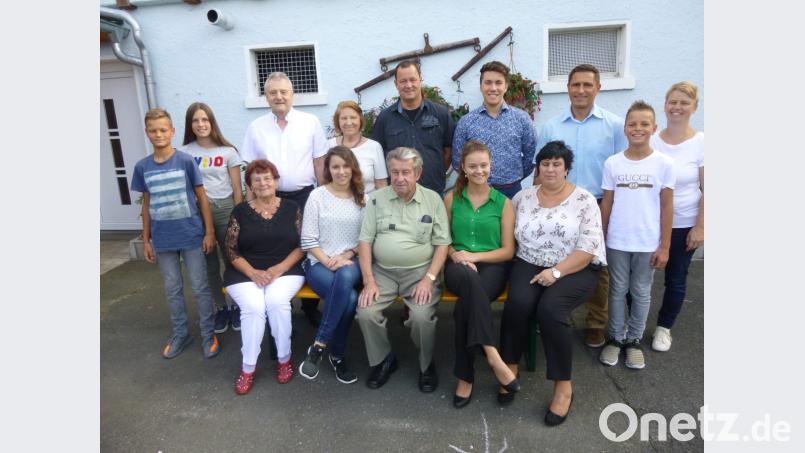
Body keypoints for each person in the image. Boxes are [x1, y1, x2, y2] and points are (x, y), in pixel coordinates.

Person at [500, 140, 606, 426]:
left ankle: (563, 387)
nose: (550, 169)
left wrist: (556, 272)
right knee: (518, 303)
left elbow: (588, 248)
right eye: (545, 163)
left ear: (567, 169)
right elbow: (510, 236)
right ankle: (509, 365)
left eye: (556, 164)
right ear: (538, 168)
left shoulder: (584, 200)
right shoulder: (522, 198)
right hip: (529, 261)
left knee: (551, 310)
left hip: (575, 267)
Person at [534, 64, 628, 349]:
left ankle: (596, 323)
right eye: (576, 85)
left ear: (598, 88)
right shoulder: (551, 127)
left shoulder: (613, 126)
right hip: (556, 203)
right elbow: (539, 172)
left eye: (588, 85)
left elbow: (621, 170)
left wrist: (611, 209)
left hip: (599, 203)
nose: (581, 90)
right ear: (568, 89)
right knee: (552, 257)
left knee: (597, 264)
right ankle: (549, 314)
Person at [356, 147, 451, 392]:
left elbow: (442, 244)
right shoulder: (376, 199)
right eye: (395, 172)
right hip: (382, 272)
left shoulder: (433, 200)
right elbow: (365, 241)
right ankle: (384, 360)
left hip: (420, 272)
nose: (400, 178)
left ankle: (426, 365)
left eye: (406, 172)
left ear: (417, 173)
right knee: (366, 312)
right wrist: (369, 280)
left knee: (421, 317)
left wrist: (429, 279)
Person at [130, 108, 220, 360]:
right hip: (163, 239)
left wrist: (209, 231)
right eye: (153, 130)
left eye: (163, 130)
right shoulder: (142, 167)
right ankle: (181, 334)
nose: (158, 134)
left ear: (172, 131)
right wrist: (146, 239)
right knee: (172, 289)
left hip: (191, 235)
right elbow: (146, 205)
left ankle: (208, 333)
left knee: (201, 287)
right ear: (147, 133)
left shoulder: (185, 161)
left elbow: (202, 198)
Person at [241, 71, 328, 327]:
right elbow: (251, 169)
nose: (278, 96)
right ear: (266, 97)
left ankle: (310, 306)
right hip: (270, 198)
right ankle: (282, 304)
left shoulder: (310, 122)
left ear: (293, 95)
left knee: (308, 247)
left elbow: (319, 162)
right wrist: (249, 206)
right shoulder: (256, 127)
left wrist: (323, 196)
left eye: (284, 92)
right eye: (273, 92)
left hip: (304, 196)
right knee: (275, 248)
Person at [598, 101, 675, 371]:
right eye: (633, 124)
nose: (638, 128)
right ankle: (616, 338)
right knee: (617, 290)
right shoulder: (613, 163)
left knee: (641, 292)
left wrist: (665, 246)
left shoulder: (664, 164)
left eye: (644, 124)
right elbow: (607, 203)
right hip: (617, 240)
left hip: (647, 242)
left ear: (654, 128)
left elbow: (667, 206)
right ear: (625, 128)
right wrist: (602, 237)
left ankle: (634, 340)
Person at [443, 140, 520, 408]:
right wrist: (455, 255)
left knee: (465, 306)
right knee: (467, 279)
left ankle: (465, 377)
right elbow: (443, 240)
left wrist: (474, 257)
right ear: (463, 168)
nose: (479, 170)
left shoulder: (504, 203)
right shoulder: (452, 198)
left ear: (491, 166)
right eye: (472, 166)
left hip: (492, 266)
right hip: (456, 267)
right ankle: (492, 354)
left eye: (484, 165)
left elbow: (507, 250)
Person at [224, 159, 305, 394]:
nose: (262, 183)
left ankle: (284, 359)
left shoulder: (292, 208)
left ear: (276, 181)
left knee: (277, 302)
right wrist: (252, 272)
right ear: (250, 185)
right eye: (256, 179)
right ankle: (248, 367)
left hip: (286, 269)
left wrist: (278, 269)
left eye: (267, 178)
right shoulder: (240, 211)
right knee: (253, 307)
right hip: (245, 272)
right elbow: (230, 249)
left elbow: (302, 245)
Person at [298, 146, 366, 384]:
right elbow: (307, 240)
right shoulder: (317, 196)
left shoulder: (362, 198)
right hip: (319, 263)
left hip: (352, 261)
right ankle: (336, 355)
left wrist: (346, 254)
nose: (341, 171)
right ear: (328, 169)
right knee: (348, 300)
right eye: (335, 166)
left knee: (346, 275)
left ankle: (318, 346)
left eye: (346, 166)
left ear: (353, 168)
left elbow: (366, 238)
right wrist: (328, 260)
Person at [648, 82, 704, 352]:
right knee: (638, 276)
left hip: (684, 222)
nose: (677, 108)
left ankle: (663, 328)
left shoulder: (701, 142)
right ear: (665, 105)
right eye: (673, 102)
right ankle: (631, 324)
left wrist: (701, 226)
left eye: (684, 103)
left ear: (694, 107)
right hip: (649, 221)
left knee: (676, 277)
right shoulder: (652, 139)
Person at [181, 102, 244, 334]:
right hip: (197, 212)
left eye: (205, 119)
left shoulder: (228, 151)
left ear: (212, 122)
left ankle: (236, 306)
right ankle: (220, 309)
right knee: (208, 264)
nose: (201, 124)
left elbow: (237, 189)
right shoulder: (185, 152)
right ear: (190, 125)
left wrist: (239, 219)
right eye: (196, 120)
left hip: (225, 208)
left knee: (232, 261)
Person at [451, 61, 537, 199]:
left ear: (506, 86)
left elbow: (531, 156)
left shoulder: (521, 118)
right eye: (488, 82)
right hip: (476, 192)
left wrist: (514, 177)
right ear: (481, 86)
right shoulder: (466, 122)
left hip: (512, 191)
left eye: (498, 83)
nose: (493, 88)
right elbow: (457, 159)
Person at [371, 60, 454, 195]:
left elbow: (448, 151)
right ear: (396, 84)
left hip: (432, 191)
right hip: (397, 193)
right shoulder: (385, 118)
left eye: (412, 80)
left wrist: (432, 171)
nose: (408, 85)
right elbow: (378, 155)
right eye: (403, 81)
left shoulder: (440, 114)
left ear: (420, 80)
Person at [328, 101, 388, 193]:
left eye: (353, 118)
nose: (348, 122)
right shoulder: (329, 146)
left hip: (367, 205)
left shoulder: (374, 147)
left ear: (360, 120)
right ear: (337, 121)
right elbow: (325, 181)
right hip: (336, 204)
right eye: (344, 118)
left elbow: (381, 184)